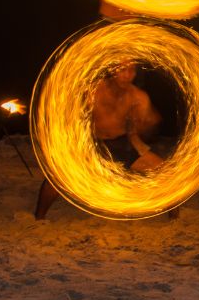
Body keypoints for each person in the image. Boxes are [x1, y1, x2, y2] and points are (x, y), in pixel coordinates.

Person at [33, 61, 172, 219]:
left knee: (167, 173)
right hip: (93, 144)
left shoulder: (138, 97)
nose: (128, 75)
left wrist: (148, 123)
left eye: (132, 70)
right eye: (123, 69)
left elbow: (144, 132)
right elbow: (71, 114)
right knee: (57, 177)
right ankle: (39, 217)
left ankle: (174, 220)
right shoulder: (93, 90)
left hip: (123, 145)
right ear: (112, 70)